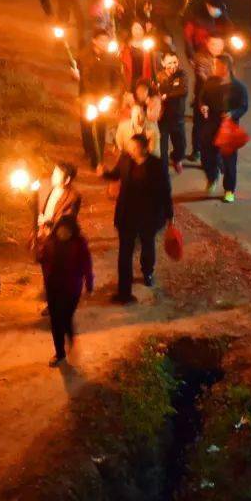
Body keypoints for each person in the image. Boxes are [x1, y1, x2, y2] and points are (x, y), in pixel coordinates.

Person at [104, 132, 173, 303]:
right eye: (129, 146)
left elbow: (165, 191)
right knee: (124, 253)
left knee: (147, 245)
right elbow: (115, 174)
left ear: (144, 149)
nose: (130, 150)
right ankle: (124, 292)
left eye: (133, 147)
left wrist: (169, 214)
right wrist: (103, 173)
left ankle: (147, 271)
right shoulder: (126, 160)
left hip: (148, 216)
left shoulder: (156, 165)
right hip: (127, 215)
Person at [38, 214, 94, 366]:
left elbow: (87, 265)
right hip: (53, 287)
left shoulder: (80, 243)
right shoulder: (50, 241)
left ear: (72, 231)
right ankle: (60, 353)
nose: (63, 234)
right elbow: (41, 258)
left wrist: (89, 285)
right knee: (56, 320)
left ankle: (71, 337)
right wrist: (38, 249)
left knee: (66, 317)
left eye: (67, 231)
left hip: (71, 289)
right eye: (61, 230)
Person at [198, 53, 249, 203]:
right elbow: (202, 97)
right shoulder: (210, 82)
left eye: (215, 65)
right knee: (207, 154)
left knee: (229, 160)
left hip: (228, 128)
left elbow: (244, 106)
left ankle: (229, 189)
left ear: (225, 67)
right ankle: (212, 177)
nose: (213, 67)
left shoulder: (238, 87)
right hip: (211, 124)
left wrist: (232, 114)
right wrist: (204, 106)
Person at [75, 31, 123, 170]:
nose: (104, 43)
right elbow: (84, 78)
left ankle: (97, 160)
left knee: (101, 128)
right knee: (87, 125)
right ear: (94, 40)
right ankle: (88, 149)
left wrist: (112, 95)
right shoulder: (85, 56)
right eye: (101, 40)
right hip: (88, 98)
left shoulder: (112, 59)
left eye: (106, 41)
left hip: (104, 100)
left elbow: (118, 80)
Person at [155, 51, 189, 173]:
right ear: (163, 63)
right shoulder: (158, 76)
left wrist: (166, 95)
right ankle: (163, 170)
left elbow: (183, 91)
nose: (172, 65)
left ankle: (177, 158)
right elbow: (155, 93)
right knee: (162, 147)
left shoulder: (182, 75)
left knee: (181, 145)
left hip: (177, 117)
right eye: (169, 63)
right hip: (162, 118)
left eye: (175, 62)